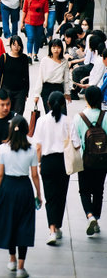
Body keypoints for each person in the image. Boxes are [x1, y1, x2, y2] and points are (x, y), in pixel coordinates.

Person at [0, 115, 42, 278]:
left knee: (10, 222)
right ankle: (21, 267)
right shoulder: (31, 149)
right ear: (26, 130)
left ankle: (11, 259)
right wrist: (39, 194)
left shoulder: (3, 149)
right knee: (24, 226)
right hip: (24, 188)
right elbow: (34, 174)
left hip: (8, 188)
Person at [34, 92, 80, 245]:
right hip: (63, 162)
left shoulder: (41, 121)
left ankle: (52, 229)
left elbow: (38, 146)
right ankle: (57, 226)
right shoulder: (68, 121)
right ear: (62, 105)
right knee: (61, 196)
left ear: (48, 104)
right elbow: (77, 144)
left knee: (50, 197)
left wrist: (38, 164)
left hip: (47, 161)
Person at [72, 86, 107, 235]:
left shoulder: (79, 117)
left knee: (84, 190)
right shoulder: (105, 116)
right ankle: (96, 218)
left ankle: (90, 215)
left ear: (86, 98)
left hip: (85, 160)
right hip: (103, 160)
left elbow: (75, 142)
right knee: (99, 190)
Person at [34, 39, 71, 114]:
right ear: (50, 48)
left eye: (58, 47)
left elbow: (66, 79)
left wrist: (67, 92)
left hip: (59, 88)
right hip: (47, 89)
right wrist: (37, 94)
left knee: (62, 114)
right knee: (50, 114)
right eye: (54, 47)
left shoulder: (64, 62)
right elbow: (40, 77)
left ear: (61, 48)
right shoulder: (45, 60)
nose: (56, 50)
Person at [0, 36, 29, 115]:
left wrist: (26, 92)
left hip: (20, 92)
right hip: (7, 90)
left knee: (18, 114)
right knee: (7, 113)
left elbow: (26, 76)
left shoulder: (24, 58)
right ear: (10, 45)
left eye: (18, 45)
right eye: (14, 45)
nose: (16, 47)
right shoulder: (4, 57)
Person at [21, 0, 49, 64]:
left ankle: (35, 54)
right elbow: (24, 10)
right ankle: (29, 55)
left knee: (37, 39)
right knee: (31, 37)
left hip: (39, 22)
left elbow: (46, 11)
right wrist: (22, 22)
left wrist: (46, 21)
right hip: (29, 21)